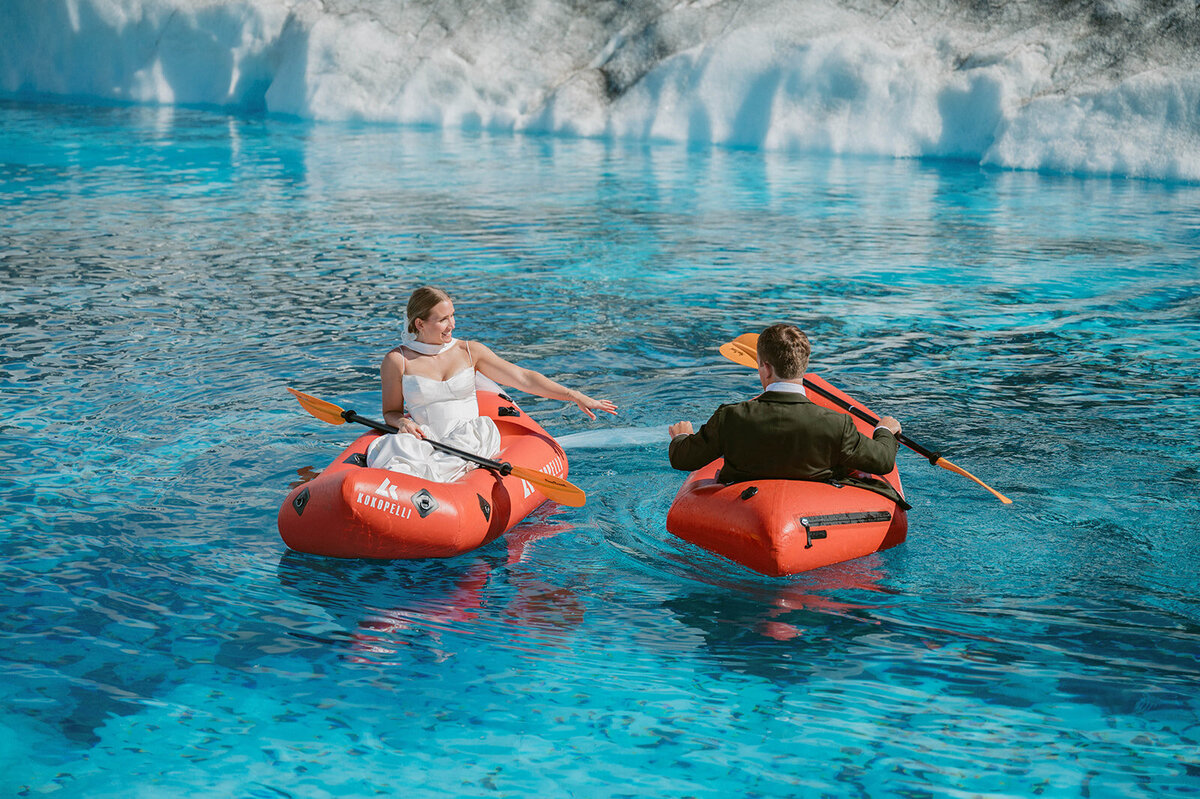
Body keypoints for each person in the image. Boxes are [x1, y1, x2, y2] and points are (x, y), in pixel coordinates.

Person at [367, 286, 617, 481]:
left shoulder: (469, 351)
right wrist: (402, 422)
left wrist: (573, 395)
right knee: (397, 452)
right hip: (426, 438)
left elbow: (523, 378)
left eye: (453, 316)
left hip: (471, 435)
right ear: (420, 324)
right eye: (443, 319)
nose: (452, 325)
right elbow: (391, 411)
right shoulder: (396, 360)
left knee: (444, 459)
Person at [667, 323, 907, 505]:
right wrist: (885, 429)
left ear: (766, 367)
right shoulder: (837, 422)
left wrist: (681, 437)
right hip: (811, 510)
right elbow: (883, 461)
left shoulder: (731, 416)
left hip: (743, 509)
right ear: (804, 364)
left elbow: (683, 459)